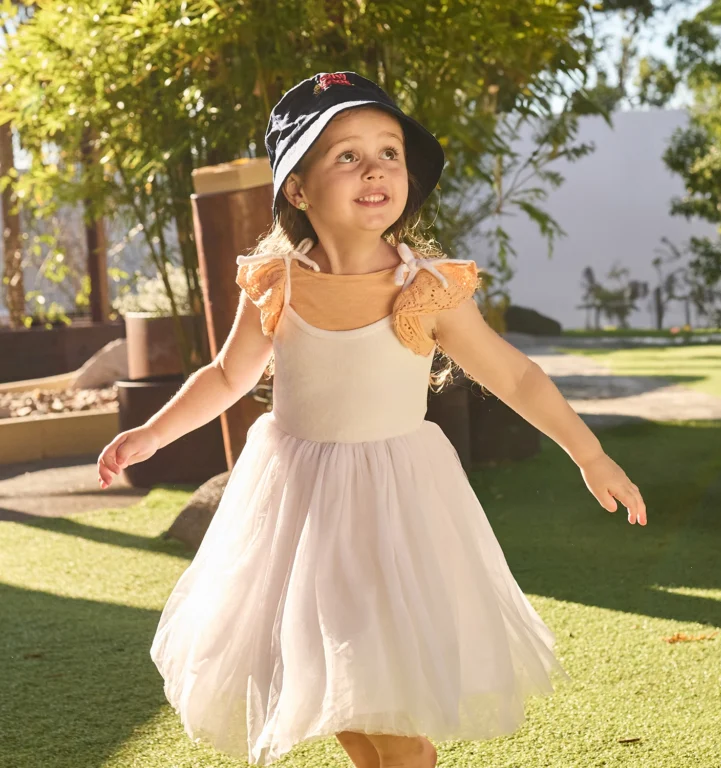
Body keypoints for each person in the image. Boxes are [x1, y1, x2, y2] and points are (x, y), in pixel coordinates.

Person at [97, 71, 647, 768]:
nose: (375, 169)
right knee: (329, 684)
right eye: (346, 156)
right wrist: (150, 434)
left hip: (393, 506)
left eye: (389, 152)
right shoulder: (277, 281)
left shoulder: (427, 288)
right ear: (298, 188)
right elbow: (227, 377)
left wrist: (588, 453)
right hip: (296, 505)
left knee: (382, 696)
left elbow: (514, 375)